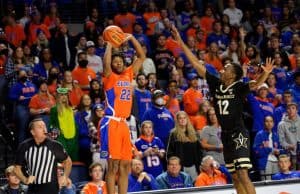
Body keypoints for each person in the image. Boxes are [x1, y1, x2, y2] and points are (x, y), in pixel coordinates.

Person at [171, 25, 275, 194]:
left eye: (226, 68)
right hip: (225, 135)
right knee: (234, 176)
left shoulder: (239, 86)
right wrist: (181, 42)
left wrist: (265, 73)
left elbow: (255, 85)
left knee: (242, 173)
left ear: (233, 75)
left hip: (239, 133)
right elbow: (196, 63)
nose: (221, 69)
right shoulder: (215, 83)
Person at [99, 34, 145, 194]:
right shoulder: (109, 77)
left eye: (120, 61)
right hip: (110, 123)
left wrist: (131, 38)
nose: (117, 63)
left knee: (126, 164)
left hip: (123, 124)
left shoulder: (129, 73)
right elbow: (105, 63)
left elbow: (141, 56)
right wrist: (110, 44)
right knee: (113, 165)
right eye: (114, 62)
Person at [14, 118, 72, 194]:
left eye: (44, 126)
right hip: (33, 188)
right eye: (40, 127)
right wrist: (25, 179)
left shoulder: (55, 145)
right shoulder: (24, 146)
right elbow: (16, 168)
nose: (44, 129)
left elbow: (68, 162)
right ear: (33, 132)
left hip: (51, 188)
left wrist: (65, 176)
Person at [166, 111, 202, 181]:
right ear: (177, 120)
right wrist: (174, 167)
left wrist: (200, 164)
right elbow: (169, 153)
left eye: (184, 118)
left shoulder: (193, 133)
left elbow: (199, 151)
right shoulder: (173, 134)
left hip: (194, 167)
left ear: (187, 119)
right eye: (180, 118)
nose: (182, 120)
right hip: (181, 167)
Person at [253, 116, 284, 180]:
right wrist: (270, 150)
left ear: (273, 123)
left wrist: (279, 151)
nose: (269, 123)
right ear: (264, 123)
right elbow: (256, 151)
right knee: (267, 183)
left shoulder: (275, 135)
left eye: (271, 121)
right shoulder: (259, 134)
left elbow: (279, 148)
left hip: (276, 161)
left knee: (277, 182)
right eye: (267, 121)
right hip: (265, 162)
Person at [278, 102, 300, 170]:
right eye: (289, 108)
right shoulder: (281, 124)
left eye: (293, 108)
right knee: (292, 176)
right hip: (289, 155)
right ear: (286, 110)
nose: (291, 110)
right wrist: (288, 146)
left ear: (297, 110)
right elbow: (281, 140)